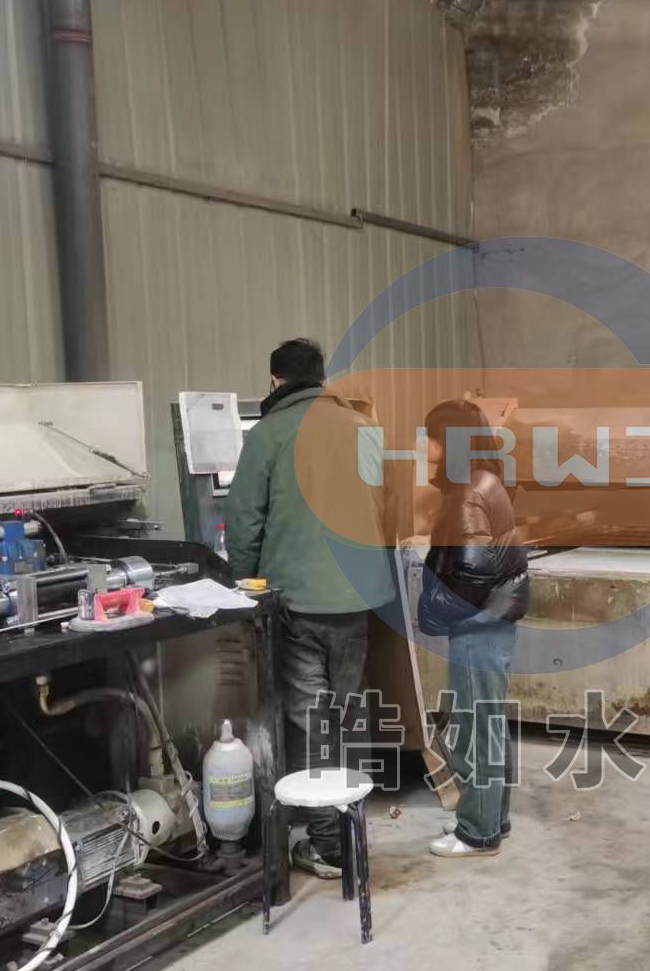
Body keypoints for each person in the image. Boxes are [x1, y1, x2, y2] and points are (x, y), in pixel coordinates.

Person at [224, 338, 394, 879]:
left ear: (275, 381)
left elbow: (243, 521)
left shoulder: (267, 434)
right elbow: (384, 505)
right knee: (349, 713)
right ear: (323, 379)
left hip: (297, 601)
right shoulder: (364, 429)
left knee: (312, 719)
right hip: (356, 598)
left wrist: (243, 584)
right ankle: (350, 828)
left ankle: (327, 846)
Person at [416, 399, 530, 858]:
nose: (425, 445)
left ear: (450, 442)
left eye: (431, 436)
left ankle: (477, 832)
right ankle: (492, 818)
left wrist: (433, 609)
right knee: (489, 722)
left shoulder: (467, 492)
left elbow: (470, 574)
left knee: (475, 726)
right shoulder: (485, 480)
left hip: (477, 623)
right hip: (493, 619)